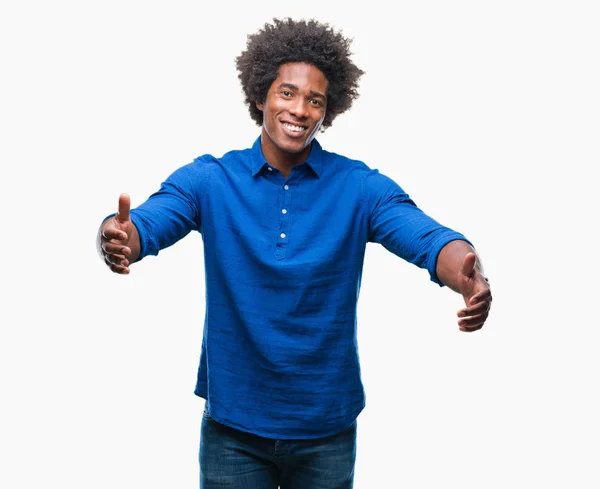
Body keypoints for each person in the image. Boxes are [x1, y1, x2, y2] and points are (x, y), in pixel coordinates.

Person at [97, 17, 492, 489]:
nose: (300, 109)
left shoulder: (358, 187)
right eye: (287, 93)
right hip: (233, 431)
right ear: (261, 95)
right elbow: (146, 222)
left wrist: (466, 272)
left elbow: (427, 238)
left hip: (326, 429)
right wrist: (119, 236)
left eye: (315, 100)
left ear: (328, 112)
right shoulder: (211, 180)